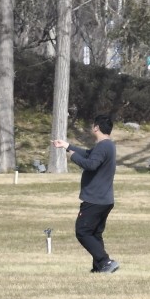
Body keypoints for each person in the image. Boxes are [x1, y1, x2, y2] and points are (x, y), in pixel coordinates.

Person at [52, 114, 119, 273]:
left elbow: (91, 164)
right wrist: (67, 145)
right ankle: (99, 267)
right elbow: (89, 154)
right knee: (95, 234)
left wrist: (73, 156)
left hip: (95, 200)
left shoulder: (103, 146)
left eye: (92, 125)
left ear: (96, 127)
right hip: (105, 199)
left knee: (82, 231)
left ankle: (105, 262)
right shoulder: (108, 145)